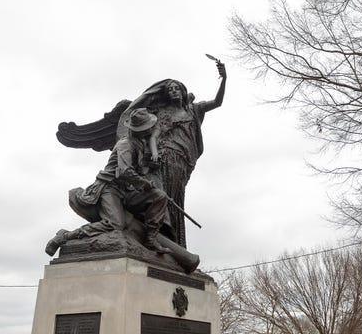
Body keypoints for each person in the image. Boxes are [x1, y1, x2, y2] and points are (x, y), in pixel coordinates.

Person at [128, 60, 226, 246]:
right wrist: (155, 153)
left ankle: (173, 241)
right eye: (170, 89)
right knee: (165, 198)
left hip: (183, 162)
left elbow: (217, 102)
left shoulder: (194, 109)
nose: (173, 91)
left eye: (176, 88)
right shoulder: (162, 113)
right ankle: (159, 236)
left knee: (176, 199)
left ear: (182, 92)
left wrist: (224, 78)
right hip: (166, 158)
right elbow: (154, 136)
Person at [45, 108, 168, 255]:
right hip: (110, 188)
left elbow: (137, 170)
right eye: (148, 127)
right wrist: (144, 183)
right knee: (115, 224)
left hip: (127, 191)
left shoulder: (140, 143)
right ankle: (64, 236)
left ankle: (150, 239)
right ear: (140, 130)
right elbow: (124, 172)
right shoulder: (126, 144)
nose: (151, 129)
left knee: (160, 196)